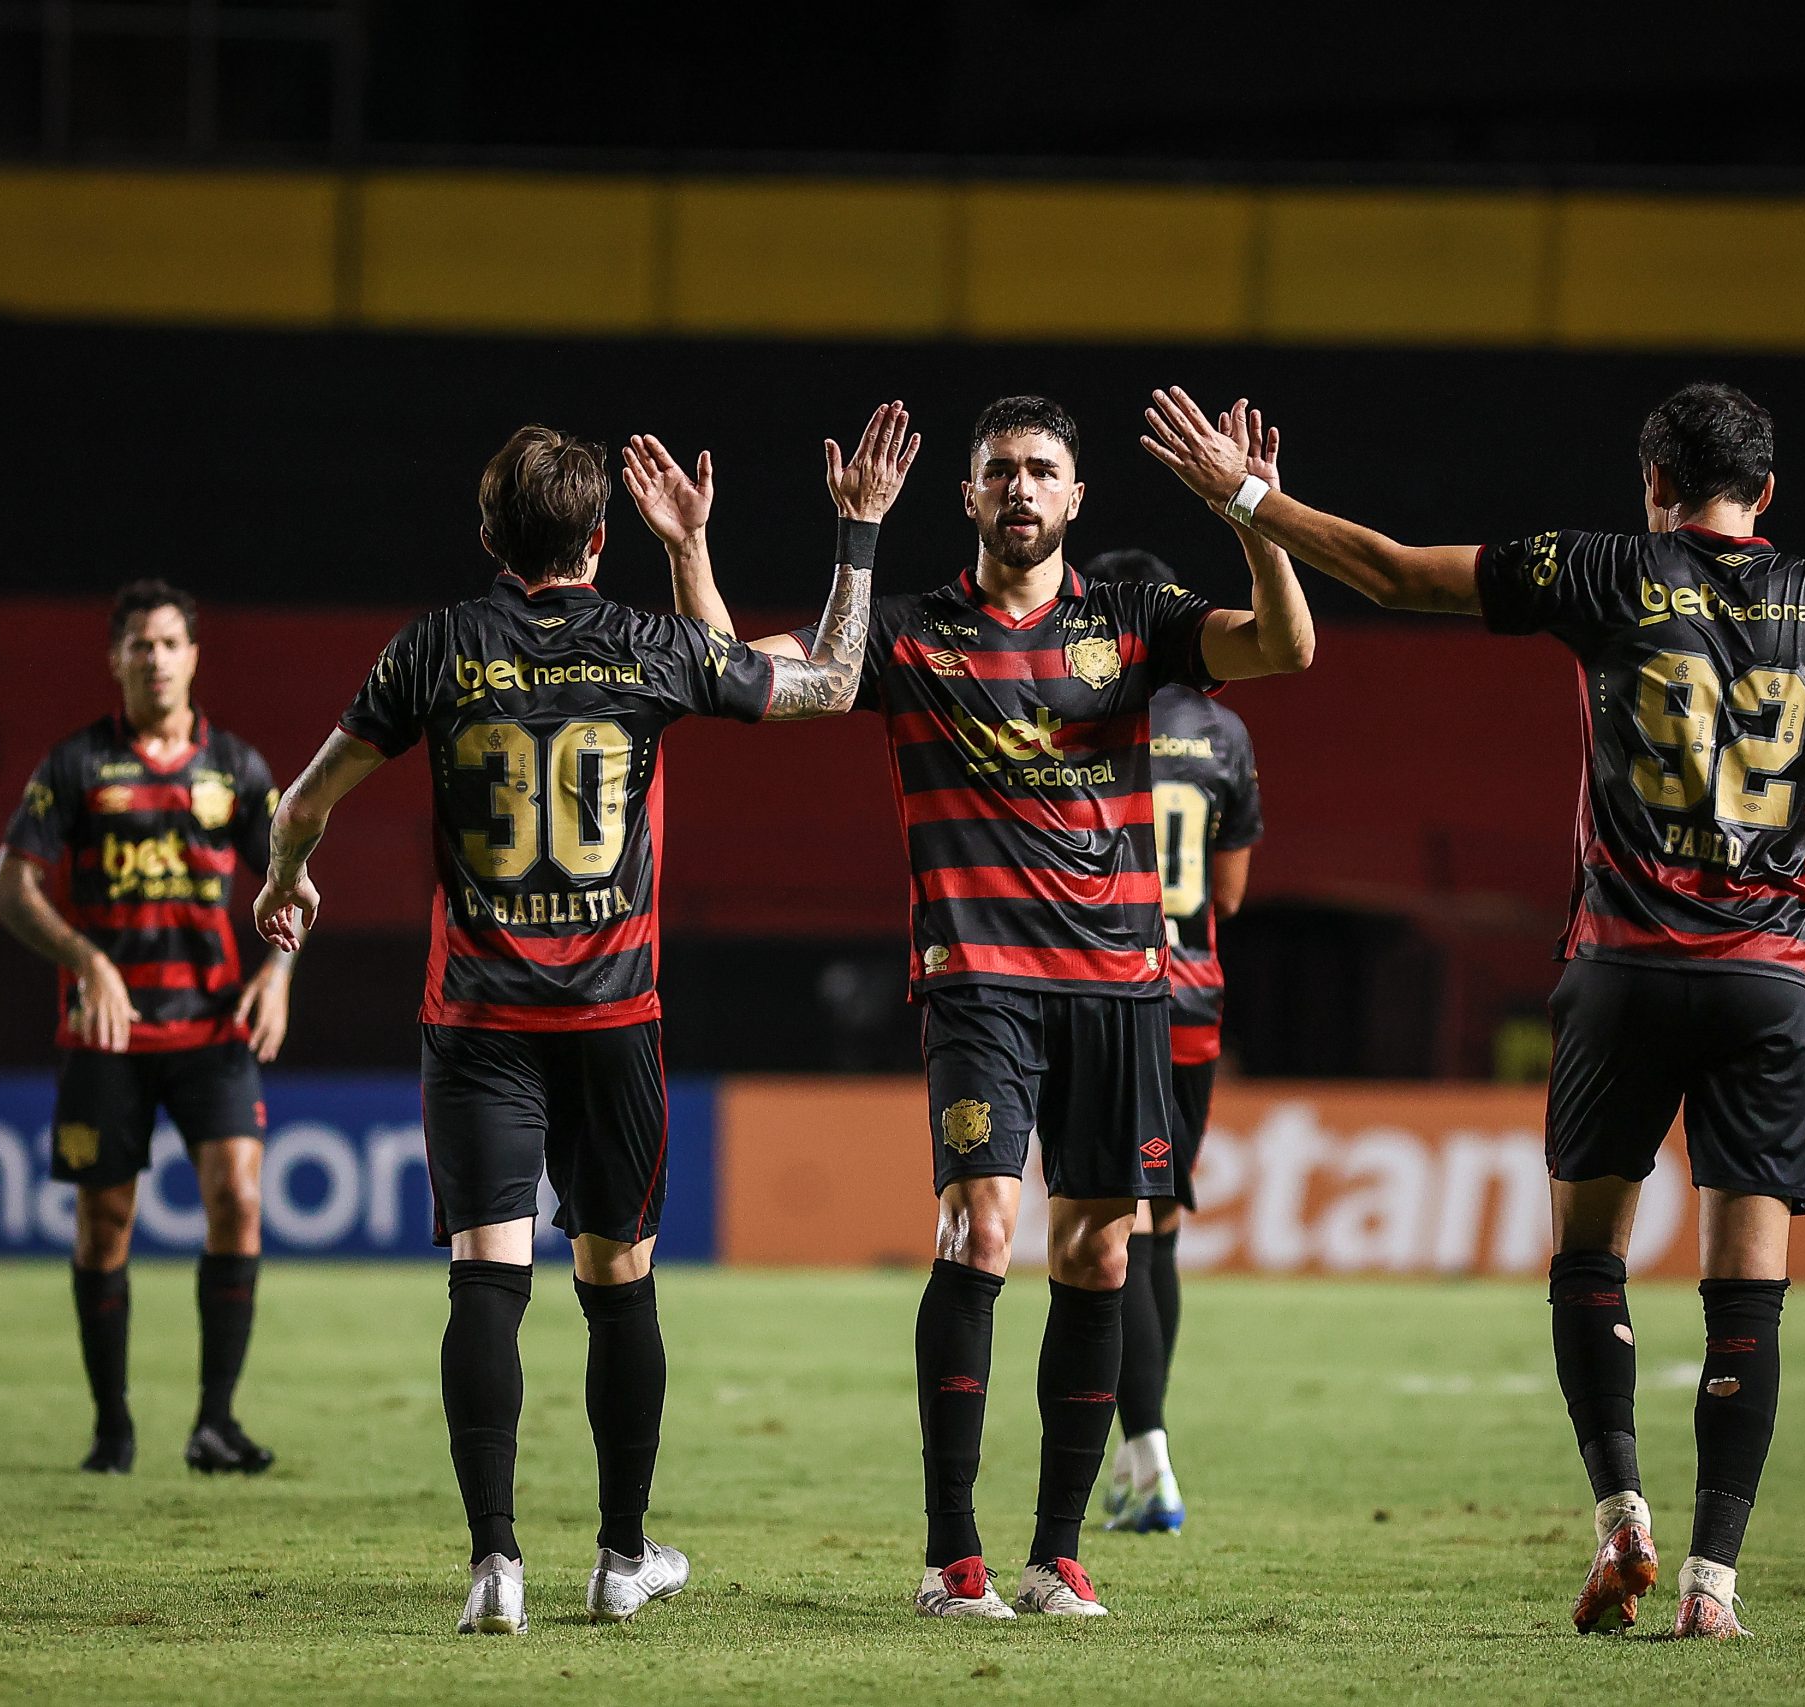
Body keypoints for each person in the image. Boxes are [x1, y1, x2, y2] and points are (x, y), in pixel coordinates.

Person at [1142, 380, 1805, 1638]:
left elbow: (1390, 574)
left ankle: (1621, 1517)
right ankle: (1713, 1586)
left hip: (1622, 976)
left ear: (1650, 483)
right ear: (1764, 494)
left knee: (1589, 1260)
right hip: (1768, 985)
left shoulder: (1602, 571)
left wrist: (1242, 495)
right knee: (1745, 1294)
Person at [250, 410, 899, 1634]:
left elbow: (303, 801)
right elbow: (827, 681)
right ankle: (618, 1555)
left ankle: (494, 1564)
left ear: (492, 534)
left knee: (486, 1280)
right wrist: (854, 535)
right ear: (602, 537)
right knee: (618, 1283)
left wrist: (286, 879)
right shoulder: (647, 647)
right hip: (612, 1017)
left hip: (479, 1019)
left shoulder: (435, 648)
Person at [710, 396, 1313, 1619]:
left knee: (1098, 1248)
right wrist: (791, 543)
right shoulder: (911, 631)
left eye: (1044, 471)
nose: (1022, 489)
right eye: (1000, 473)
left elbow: (1289, 647)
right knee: (979, 1231)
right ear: (969, 497)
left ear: (1077, 498)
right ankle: (950, 1558)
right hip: (981, 981)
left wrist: (1250, 510)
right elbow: (752, 678)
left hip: (1119, 989)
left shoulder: (1134, 623)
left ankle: (1054, 1556)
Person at [0, 578, 293, 1478]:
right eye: (139, 645)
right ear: (115, 660)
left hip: (211, 1028)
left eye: (170, 643)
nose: (155, 658)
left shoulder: (236, 768)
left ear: (194, 657)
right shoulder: (78, 765)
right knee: (103, 1223)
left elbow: (294, 877)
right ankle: (113, 1427)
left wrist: (276, 970)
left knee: (238, 1198)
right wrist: (87, 961)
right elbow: (9, 886)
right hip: (107, 1036)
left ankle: (215, 1422)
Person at [1080, 548, 1265, 1537]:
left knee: (1114, 1229)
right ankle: (1142, 1454)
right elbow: (1227, 895)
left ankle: (1145, 1459)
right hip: (1195, 1001)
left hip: (1111, 995)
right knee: (1160, 1229)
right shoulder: (1225, 731)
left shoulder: (1086, 710)